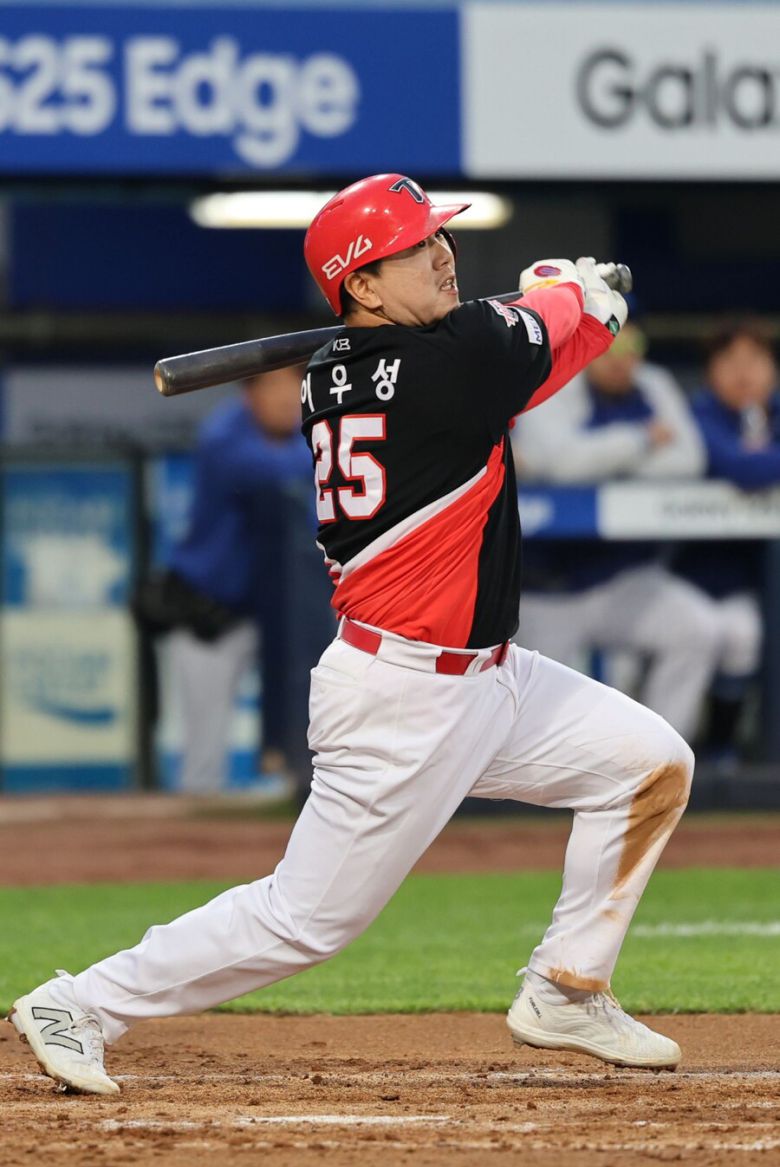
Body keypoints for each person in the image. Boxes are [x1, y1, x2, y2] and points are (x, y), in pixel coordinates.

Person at [8, 174, 693, 1095]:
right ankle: (80, 1002)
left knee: (647, 763)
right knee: (305, 921)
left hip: (494, 678)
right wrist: (580, 295)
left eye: (439, 238)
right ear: (361, 285)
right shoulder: (452, 360)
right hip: (404, 697)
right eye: (416, 247)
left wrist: (569, 310)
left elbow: (524, 355)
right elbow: (543, 337)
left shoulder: (344, 375)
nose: (443, 254)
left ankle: (569, 986)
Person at [512, 325, 721, 742]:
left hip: (622, 579)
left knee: (697, 629)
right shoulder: (550, 376)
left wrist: (603, 464)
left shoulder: (652, 384)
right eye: (608, 343)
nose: (619, 357)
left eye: (629, 345)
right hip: (545, 589)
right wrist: (641, 440)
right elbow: (561, 464)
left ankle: (660, 757)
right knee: (535, 721)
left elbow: (689, 460)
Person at [136, 366, 313, 793]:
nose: (285, 399)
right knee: (204, 752)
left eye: (293, 387)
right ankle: (196, 828)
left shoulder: (304, 435)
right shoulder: (224, 436)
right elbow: (279, 471)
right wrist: (329, 445)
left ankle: (293, 806)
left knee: (304, 729)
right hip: (209, 613)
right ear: (249, 393)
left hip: (277, 617)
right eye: (273, 386)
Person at [674, 323, 780, 760]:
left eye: (755, 360)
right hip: (686, 573)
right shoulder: (697, 413)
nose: (744, 372)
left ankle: (722, 750)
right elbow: (740, 468)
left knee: (743, 635)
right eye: (730, 361)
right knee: (702, 634)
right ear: (710, 371)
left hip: (750, 582)